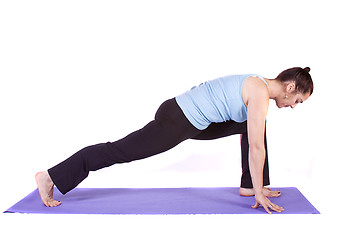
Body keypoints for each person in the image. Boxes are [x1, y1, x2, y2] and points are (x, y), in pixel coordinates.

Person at [35, 67, 313, 214]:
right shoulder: (260, 92)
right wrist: (263, 195)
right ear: (290, 87)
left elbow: (253, 136)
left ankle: (249, 186)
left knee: (253, 126)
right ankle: (50, 177)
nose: (294, 106)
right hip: (178, 119)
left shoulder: (259, 85)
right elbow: (255, 147)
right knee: (120, 151)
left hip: (197, 121)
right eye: (297, 100)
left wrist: (257, 184)